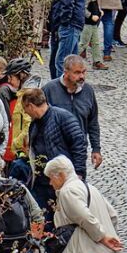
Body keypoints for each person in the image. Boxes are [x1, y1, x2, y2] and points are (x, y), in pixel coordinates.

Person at [45, 155, 122, 253]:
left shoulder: (67, 191)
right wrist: (112, 237)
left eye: (51, 178)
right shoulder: (90, 188)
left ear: (61, 175)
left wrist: (102, 237)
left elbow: (85, 218)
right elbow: (113, 215)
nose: (50, 182)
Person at [22, 88, 87, 224]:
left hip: (60, 180)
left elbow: (79, 145)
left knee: (65, 220)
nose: (25, 113)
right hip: (42, 182)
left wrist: (79, 173)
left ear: (31, 106)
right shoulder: (34, 124)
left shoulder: (63, 117)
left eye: (25, 109)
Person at [44, 55, 102, 169]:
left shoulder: (88, 91)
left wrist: (96, 149)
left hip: (79, 151)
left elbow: (93, 122)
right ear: (66, 72)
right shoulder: (49, 90)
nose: (81, 76)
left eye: (83, 72)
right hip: (55, 152)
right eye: (77, 72)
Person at [48, 0, 85, 79]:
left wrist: (63, 21)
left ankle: (61, 90)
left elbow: (67, 2)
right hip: (72, 22)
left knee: (62, 61)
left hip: (69, 23)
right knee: (70, 59)